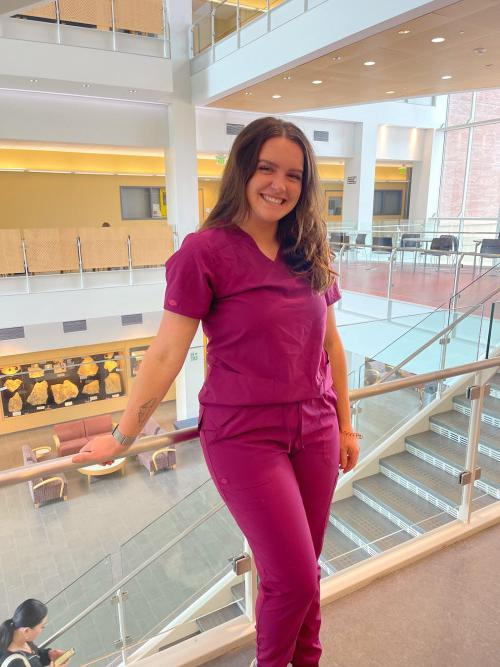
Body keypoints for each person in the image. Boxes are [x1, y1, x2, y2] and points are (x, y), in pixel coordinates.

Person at [73, 116, 360, 667]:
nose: (280, 184)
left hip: (317, 427)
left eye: (294, 175)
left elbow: (333, 346)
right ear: (242, 172)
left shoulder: (309, 248)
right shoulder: (204, 251)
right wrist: (122, 436)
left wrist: (345, 424)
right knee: (293, 578)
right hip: (244, 435)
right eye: (267, 169)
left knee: (305, 571)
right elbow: (165, 353)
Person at [0, 599, 69, 667]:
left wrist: (48, 655)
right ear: (26, 631)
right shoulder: (14, 664)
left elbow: (35, 657)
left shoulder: (21, 638)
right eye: (42, 627)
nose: (43, 629)